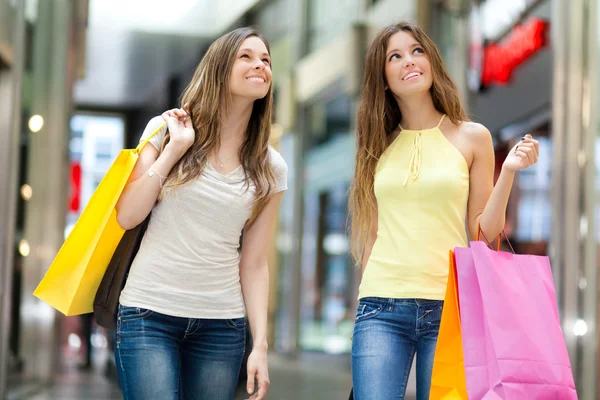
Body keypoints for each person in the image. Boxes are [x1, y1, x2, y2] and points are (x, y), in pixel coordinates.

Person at [348, 22, 539, 400]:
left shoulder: (472, 136)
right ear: (383, 78)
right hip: (380, 306)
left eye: (417, 51)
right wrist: (360, 307)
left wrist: (509, 174)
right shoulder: (376, 144)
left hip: (451, 306)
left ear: (432, 61)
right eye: (395, 56)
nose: (409, 61)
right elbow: (373, 234)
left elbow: (483, 235)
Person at [113, 27, 287, 400]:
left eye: (266, 60)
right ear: (219, 68)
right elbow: (127, 215)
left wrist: (260, 345)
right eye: (247, 56)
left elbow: (255, 263)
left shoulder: (271, 167)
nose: (260, 65)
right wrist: (176, 149)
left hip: (221, 326)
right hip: (148, 314)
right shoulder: (165, 130)